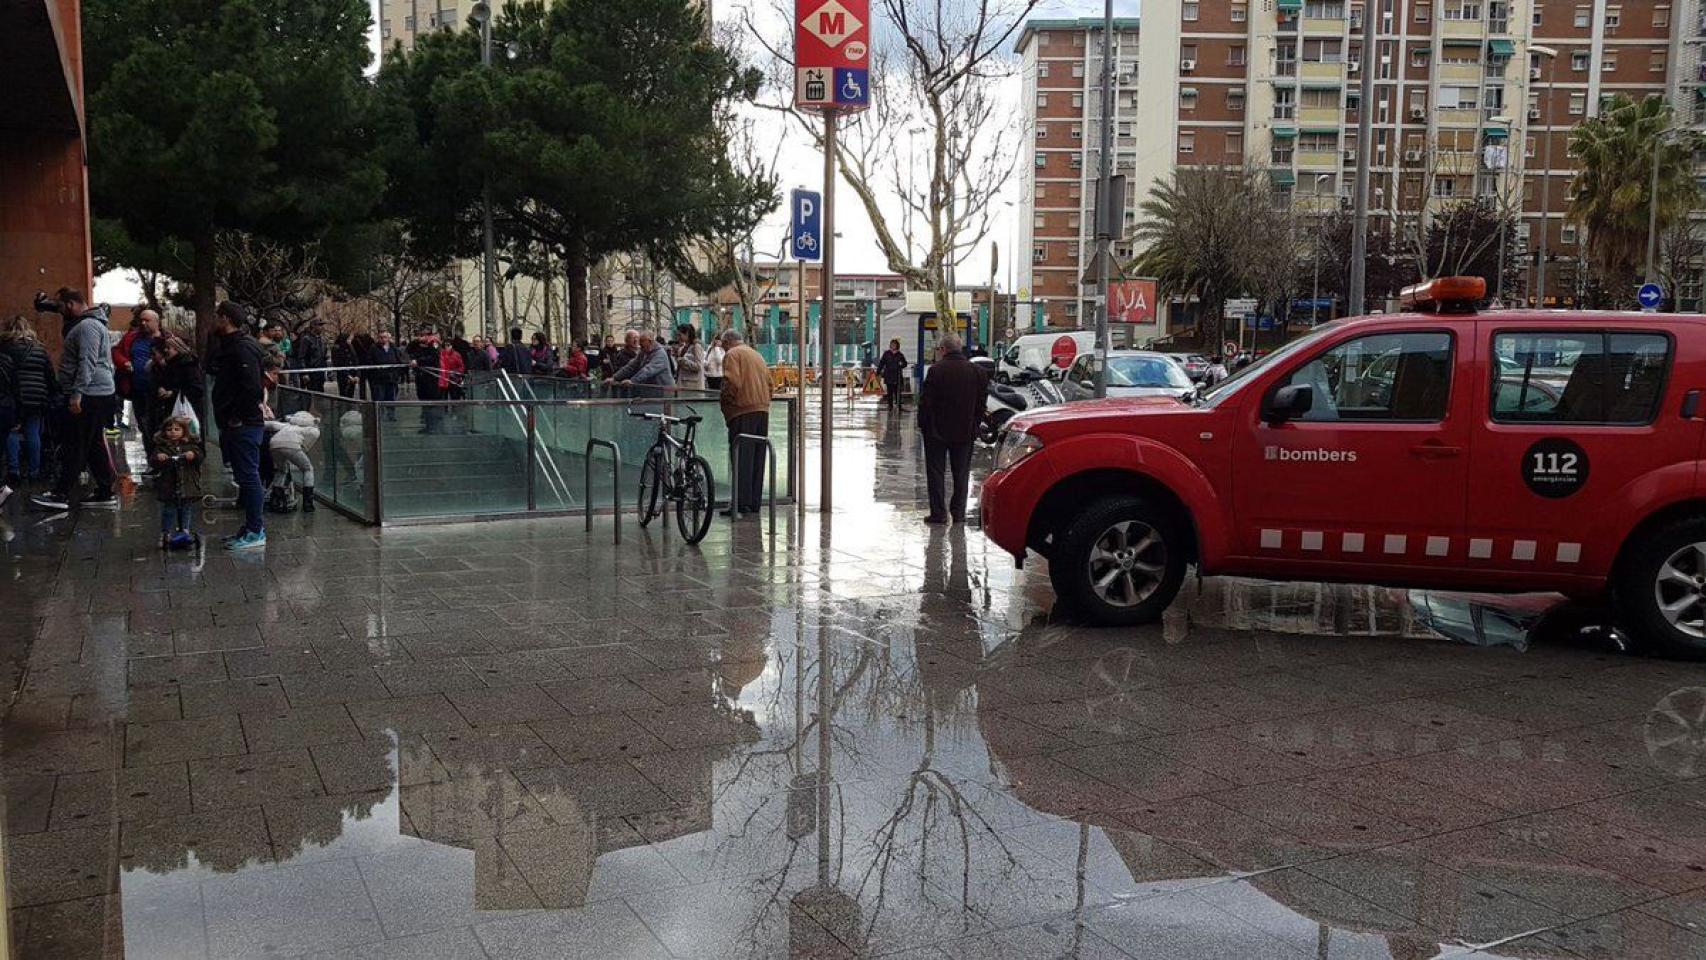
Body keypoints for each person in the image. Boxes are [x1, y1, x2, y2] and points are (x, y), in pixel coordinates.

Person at [31, 288, 118, 511]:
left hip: (90, 394)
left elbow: (87, 362)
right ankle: (105, 490)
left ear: (71, 305)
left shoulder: (87, 326)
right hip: (97, 392)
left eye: (61, 307)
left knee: (76, 443)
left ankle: (61, 493)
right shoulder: (91, 322)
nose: (60, 312)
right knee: (93, 444)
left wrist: (77, 394)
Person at [208, 301, 268, 548]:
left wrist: (236, 415)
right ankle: (251, 527)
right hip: (237, 421)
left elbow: (251, 386)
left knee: (249, 476)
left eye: (217, 316)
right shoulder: (232, 346)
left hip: (243, 422)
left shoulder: (241, 348)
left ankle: (256, 529)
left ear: (225, 318)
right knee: (245, 476)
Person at [917, 333, 985, 525]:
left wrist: (923, 425)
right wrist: (974, 424)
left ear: (943, 349)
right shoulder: (977, 372)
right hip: (965, 432)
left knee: (936, 472)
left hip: (937, 432)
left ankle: (938, 514)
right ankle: (959, 513)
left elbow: (926, 403)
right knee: (962, 473)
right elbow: (981, 403)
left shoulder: (936, 371)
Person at [0, 315, 56, 502]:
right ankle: (34, 471)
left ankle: (14, 470)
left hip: (14, 397)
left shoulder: (5, 347)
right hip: (37, 397)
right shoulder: (39, 349)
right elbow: (49, 374)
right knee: (33, 433)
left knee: (12, 432)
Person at [718, 329, 772, 516]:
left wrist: (725, 404)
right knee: (757, 458)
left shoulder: (732, 355)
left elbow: (731, 382)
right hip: (762, 410)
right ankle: (753, 503)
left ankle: (739, 504)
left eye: (723, 345)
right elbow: (770, 383)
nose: (723, 349)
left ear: (727, 342)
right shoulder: (756, 355)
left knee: (741, 458)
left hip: (742, 411)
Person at [151, 414, 202, 548]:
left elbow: (200, 457)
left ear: (184, 431)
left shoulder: (191, 445)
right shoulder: (161, 447)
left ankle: (185, 529)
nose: (173, 432)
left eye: (177, 429)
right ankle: (166, 532)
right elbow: (153, 461)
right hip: (168, 484)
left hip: (187, 483)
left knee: (186, 508)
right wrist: (159, 458)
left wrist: (193, 455)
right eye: (169, 430)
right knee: (169, 509)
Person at [149, 333, 203, 442]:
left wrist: (173, 393)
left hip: (185, 411)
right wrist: (160, 388)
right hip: (171, 409)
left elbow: (196, 389)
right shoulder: (169, 365)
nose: (166, 351)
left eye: (169, 348)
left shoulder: (189, 366)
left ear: (178, 349)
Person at [264, 410, 321, 513]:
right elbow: (306, 446)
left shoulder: (286, 425)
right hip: (293, 445)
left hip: (274, 444)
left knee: (281, 471)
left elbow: (271, 425)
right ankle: (308, 503)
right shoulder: (313, 429)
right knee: (308, 469)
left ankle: (276, 499)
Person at [406, 327, 443, 434]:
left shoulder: (434, 343)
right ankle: (427, 425)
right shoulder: (420, 344)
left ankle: (433, 426)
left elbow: (433, 359)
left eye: (423, 335)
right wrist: (417, 341)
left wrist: (419, 361)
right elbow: (409, 349)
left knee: (431, 402)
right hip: (421, 377)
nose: (421, 337)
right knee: (424, 400)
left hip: (430, 378)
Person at [368, 331, 403, 418]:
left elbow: (399, 360)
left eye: (385, 337)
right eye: (381, 337)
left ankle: (391, 415)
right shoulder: (373, 348)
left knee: (391, 398)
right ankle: (379, 416)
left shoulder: (393, 348)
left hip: (391, 379)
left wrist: (397, 374)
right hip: (379, 379)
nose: (383, 339)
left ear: (388, 338)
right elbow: (369, 361)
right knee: (379, 398)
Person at [293, 318, 330, 391]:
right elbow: (301, 357)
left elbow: (325, 356)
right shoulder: (307, 339)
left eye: (322, 325)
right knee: (312, 394)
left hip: (320, 371)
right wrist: (304, 373)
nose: (321, 327)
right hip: (311, 371)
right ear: (313, 326)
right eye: (319, 325)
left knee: (320, 392)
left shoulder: (322, 340)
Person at [876, 338, 909, 411]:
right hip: (889, 375)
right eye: (891, 345)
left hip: (897, 375)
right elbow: (882, 363)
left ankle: (899, 406)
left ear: (897, 346)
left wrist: (901, 365)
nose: (892, 346)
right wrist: (878, 371)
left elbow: (905, 363)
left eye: (894, 345)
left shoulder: (900, 355)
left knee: (897, 392)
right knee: (889, 392)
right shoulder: (886, 354)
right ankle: (890, 406)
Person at [673, 324, 705, 390]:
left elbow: (698, 366)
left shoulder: (696, 347)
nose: (678, 338)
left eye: (680, 335)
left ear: (687, 333)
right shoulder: (683, 348)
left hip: (693, 386)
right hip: (682, 384)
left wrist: (683, 361)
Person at [331, 333, 360, 398]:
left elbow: (356, 361)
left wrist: (357, 375)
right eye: (349, 339)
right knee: (344, 395)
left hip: (352, 374)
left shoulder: (351, 347)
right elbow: (338, 364)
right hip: (343, 376)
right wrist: (348, 376)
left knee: (351, 394)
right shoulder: (337, 348)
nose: (350, 341)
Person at [438, 336, 467, 401]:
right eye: (445, 345)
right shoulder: (441, 354)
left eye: (448, 345)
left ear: (451, 345)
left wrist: (455, 373)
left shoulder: (456, 355)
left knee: (455, 399)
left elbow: (461, 367)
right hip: (443, 381)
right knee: (443, 401)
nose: (447, 347)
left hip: (453, 380)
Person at [351, 332, 376, 400]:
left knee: (362, 385)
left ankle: (363, 399)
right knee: (372, 384)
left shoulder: (354, 341)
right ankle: (374, 399)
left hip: (360, 365)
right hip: (370, 365)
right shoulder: (370, 340)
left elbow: (354, 353)